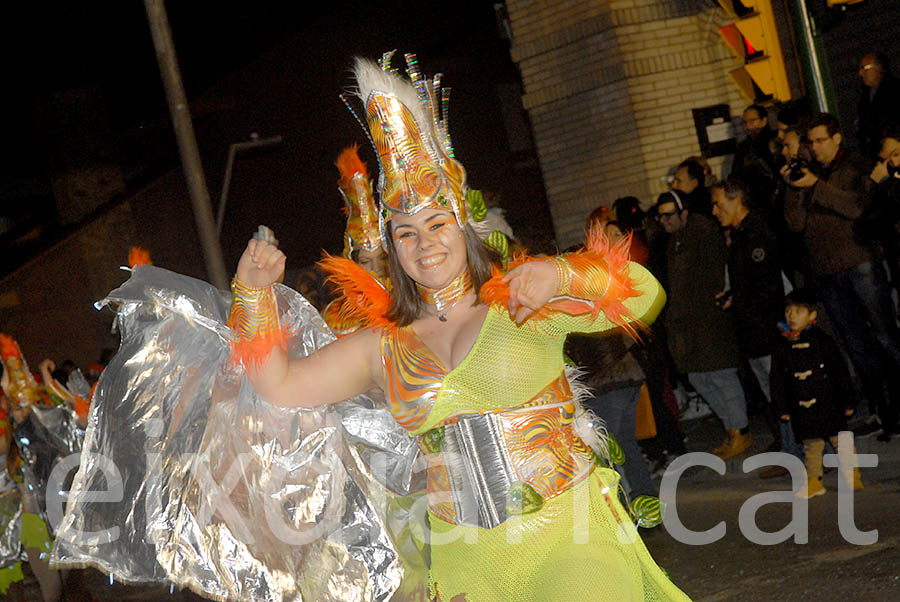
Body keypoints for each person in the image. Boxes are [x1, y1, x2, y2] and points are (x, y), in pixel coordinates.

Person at [227, 55, 690, 602]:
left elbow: (646, 295)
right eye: (404, 233)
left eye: (437, 224)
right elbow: (277, 385)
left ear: (462, 225)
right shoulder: (382, 347)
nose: (424, 244)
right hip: (465, 559)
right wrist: (252, 293)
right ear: (392, 247)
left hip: (573, 535)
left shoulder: (520, 298)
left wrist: (561, 271)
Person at [782, 112, 900, 442]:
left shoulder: (856, 165)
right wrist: (793, 186)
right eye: (811, 142)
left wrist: (816, 186)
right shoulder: (808, 173)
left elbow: (857, 206)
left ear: (836, 138)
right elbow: (794, 223)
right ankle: (882, 410)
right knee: (856, 344)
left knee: (885, 335)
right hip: (827, 272)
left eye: (821, 140)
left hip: (860, 261)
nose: (815, 147)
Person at [711, 178, 800, 476]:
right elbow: (749, 282)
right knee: (773, 394)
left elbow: (767, 286)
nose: (715, 210)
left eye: (718, 203)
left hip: (764, 330)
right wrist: (733, 297)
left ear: (737, 200)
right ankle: (790, 448)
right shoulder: (739, 236)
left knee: (782, 393)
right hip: (753, 331)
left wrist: (751, 312)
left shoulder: (756, 234)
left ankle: (797, 452)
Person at [655, 190, 752, 459]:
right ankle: (732, 428)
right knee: (701, 378)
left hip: (709, 319)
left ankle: (741, 431)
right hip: (689, 323)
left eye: (668, 215)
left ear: (683, 212)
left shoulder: (704, 234)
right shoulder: (674, 240)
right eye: (660, 216)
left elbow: (713, 276)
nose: (664, 221)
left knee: (721, 376)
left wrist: (711, 308)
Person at [771, 289, 863, 499]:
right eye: (788, 311)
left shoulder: (823, 340)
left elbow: (840, 371)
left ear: (812, 315)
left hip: (827, 400)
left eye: (798, 311)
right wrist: (782, 407)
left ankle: (852, 473)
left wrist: (847, 400)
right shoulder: (782, 345)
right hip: (801, 404)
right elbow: (777, 379)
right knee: (810, 444)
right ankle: (814, 481)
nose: (792, 316)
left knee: (839, 439)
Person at [322, 145, 389, 336]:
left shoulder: (416, 305)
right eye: (365, 261)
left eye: (383, 259)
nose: (375, 269)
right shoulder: (333, 320)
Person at [731, 104, 778, 215]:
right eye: (745, 123)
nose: (748, 126)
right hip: (754, 204)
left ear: (764, 121)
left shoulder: (775, 141)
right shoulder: (743, 148)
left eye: (752, 121)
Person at [857, 52, 900, 161]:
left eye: (864, 68)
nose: (860, 73)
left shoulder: (895, 91)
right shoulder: (865, 98)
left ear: (880, 68)